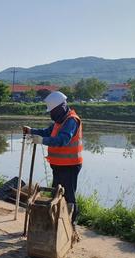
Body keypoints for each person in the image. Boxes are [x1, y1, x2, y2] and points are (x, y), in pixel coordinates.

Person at [23, 91, 83, 228]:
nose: (52, 115)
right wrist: (32, 131)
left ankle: (71, 224)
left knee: (68, 195)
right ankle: (58, 222)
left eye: (53, 111)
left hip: (70, 165)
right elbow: (46, 132)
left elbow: (63, 140)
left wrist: (42, 140)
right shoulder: (59, 121)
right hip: (59, 165)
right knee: (57, 193)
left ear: (62, 107)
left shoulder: (71, 121)